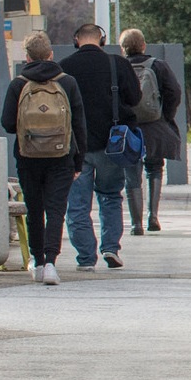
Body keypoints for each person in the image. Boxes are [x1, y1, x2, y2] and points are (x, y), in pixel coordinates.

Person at [0, 31, 88, 286]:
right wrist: (78, 161)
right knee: (56, 209)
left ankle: (37, 262)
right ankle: (51, 262)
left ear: (26, 57)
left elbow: (7, 123)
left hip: (28, 157)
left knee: (35, 209)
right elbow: (79, 125)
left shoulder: (18, 83)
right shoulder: (67, 82)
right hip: (62, 156)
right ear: (50, 54)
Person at [60, 22, 141, 271]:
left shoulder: (64, 68)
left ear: (76, 40)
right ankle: (110, 248)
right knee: (110, 197)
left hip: (76, 147)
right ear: (102, 40)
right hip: (112, 145)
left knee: (78, 205)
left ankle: (85, 257)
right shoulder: (117, 64)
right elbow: (135, 98)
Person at [119, 28, 183, 235]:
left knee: (132, 174)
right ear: (144, 45)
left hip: (129, 127)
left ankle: (136, 223)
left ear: (123, 49)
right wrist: (166, 115)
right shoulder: (158, 65)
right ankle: (152, 216)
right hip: (155, 124)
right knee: (154, 167)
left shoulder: (119, 67)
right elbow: (174, 91)